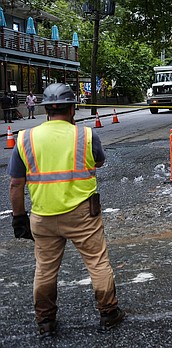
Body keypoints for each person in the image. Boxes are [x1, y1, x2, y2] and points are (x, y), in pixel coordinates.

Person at [8, 83, 125, 338]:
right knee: (97, 262)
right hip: (83, 214)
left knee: (45, 269)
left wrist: (19, 217)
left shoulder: (25, 138)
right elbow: (100, 161)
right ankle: (108, 313)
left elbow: (16, 183)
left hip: (42, 216)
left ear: (47, 109)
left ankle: (46, 321)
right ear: (73, 108)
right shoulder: (85, 135)